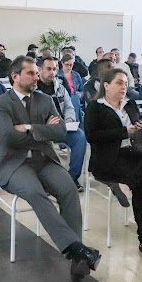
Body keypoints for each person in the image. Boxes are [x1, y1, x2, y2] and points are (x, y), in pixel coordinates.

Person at [0, 56, 101, 281]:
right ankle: (76, 248)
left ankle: (78, 259)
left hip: (44, 159)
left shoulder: (44, 99)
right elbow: (7, 136)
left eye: (36, 73)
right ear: (15, 76)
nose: (36, 77)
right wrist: (42, 130)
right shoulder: (0, 103)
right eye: (31, 73)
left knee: (68, 189)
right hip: (14, 163)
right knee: (34, 191)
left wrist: (28, 128)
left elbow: (61, 132)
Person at [85, 68, 142, 258]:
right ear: (107, 85)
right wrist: (124, 132)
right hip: (107, 160)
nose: (124, 87)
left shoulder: (130, 104)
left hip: (131, 155)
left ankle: (126, 183)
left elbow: (139, 127)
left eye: (125, 83)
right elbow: (92, 136)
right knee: (141, 184)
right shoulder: (95, 107)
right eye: (119, 83)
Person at [36, 57, 88, 190]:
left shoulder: (59, 86)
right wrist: (45, 124)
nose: (52, 72)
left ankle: (72, 178)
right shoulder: (33, 88)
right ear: (40, 69)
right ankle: (47, 181)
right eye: (49, 69)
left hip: (61, 126)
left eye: (54, 69)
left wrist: (69, 119)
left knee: (80, 137)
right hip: (42, 129)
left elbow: (69, 106)